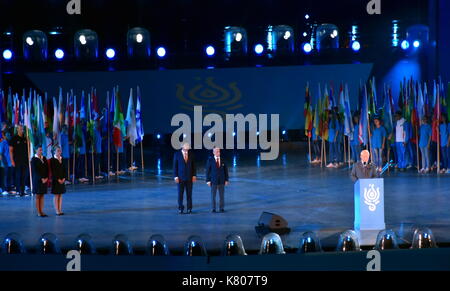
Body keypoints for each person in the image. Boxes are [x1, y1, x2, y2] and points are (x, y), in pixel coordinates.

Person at [173, 142, 196, 214]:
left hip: (189, 178)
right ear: (182, 148)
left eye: (187, 149)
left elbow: (194, 166)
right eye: (185, 149)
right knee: (180, 194)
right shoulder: (177, 154)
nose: (187, 151)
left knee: (189, 194)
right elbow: (175, 166)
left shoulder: (191, 154)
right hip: (180, 178)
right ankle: (180, 208)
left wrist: (194, 175)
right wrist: (175, 176)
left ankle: (189, 208)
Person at [205, 146, 229, 213]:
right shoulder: (210, 160)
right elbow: (207, 171)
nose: (218, 152)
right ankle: (213, 208)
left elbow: (226, 170)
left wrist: (226, 179)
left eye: (219, 151)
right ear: (213, 152)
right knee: (213, 195)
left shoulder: (223, 159)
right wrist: (208, 180)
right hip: (213, 180)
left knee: (222, 196)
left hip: (222, 180)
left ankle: (221, 208)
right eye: (216, 151)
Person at [9, 125, 29, 196]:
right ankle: (18, 191)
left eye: (22, 129)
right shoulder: (13, 138)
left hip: (25, 161)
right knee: (18, 176)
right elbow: (10, 151)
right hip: (17, 161)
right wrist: (12, 161)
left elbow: (29, 150)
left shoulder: (25, 138)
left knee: (24, 176)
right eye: (20, 129)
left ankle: (23, 191)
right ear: (17, 129)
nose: (21, 130)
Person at [31, 146, 49, 217]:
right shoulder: (33, 159)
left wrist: (46, 177)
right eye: (40, 150)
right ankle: (38, 212)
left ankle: (42, 211)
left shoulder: (44, 158)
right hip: (37, 180)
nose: (41, 151)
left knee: (42, 195)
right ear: (36, 150)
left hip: (44, 179)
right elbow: (35, 171)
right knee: (38, 196)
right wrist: (41, 178)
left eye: (42, 150)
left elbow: (47, 168)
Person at [50, 146, 67, 215]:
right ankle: (57, 210)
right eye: (57, 151)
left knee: (60, 195)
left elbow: (65, 169)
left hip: (62, 179)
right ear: (54, 152)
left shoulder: (63, 159)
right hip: (56, 180)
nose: (59, 152)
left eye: (60, 151)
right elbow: (53, 171)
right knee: (56, 195)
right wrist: (58, 179)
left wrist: (64, 178)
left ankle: (60, 209)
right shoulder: (52, 160)